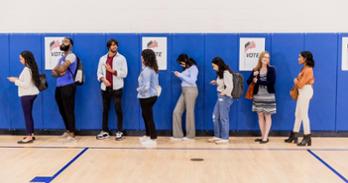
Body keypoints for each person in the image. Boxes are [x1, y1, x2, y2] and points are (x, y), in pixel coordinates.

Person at [96, 39, 128, 140]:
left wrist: (112, 71)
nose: (114, 47)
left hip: (117, 88)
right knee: (105, 110)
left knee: (118, 109)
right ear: (108, 47)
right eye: (112, 45)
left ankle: (120, 131)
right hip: (105, 88)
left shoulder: (122, 58)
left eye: (116, 45)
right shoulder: (102, 59)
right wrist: (103, 79)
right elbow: (98, 73)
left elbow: (124, 73)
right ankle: (105, 131)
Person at [8, 51, 40, 144]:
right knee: (29, 115)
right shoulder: (31, 68)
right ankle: (31, 134)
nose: (20, 60)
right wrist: (17, 79)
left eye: (21, 58)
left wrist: (14, 81)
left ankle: (29, 136)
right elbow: (28, 82)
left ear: (26, 59)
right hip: (31, 93)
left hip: (27, 94)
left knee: (27, 115)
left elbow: (25, 85)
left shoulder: (26, 70)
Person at [285, 51, 315, 146]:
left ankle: (307, 136)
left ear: (305, 58)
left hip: (305, 91)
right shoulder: (304, 68)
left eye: (299, 57)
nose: (298, 59)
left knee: (304, 114)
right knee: (298, 114)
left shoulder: (308, 69)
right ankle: (294, 134)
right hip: (303, 91)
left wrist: (295, 81)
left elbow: (301, 84)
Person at [246, 51, 276, 144]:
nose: (266, 59)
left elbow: (271, 82)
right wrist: (253, 76)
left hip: (268, 96)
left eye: (268, 57)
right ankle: (263, 136)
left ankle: (265, 137)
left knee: (267, 115)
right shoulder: (255, 69)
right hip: (258, 96)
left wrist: (258, 81)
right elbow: (248, 82)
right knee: (260, 116)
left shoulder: (271, 69)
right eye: (264, 57)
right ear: (260, 58)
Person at [52, 37, 78, 141]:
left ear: (71, 45)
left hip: (68, 86)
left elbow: (61, 69)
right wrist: (57, 70)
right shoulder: (61, 58)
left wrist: (58, 69)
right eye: (62, 42)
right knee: (62, 109)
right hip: (59, 86)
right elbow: (53, 73)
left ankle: (72, 133)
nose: (63, 43)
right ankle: (67, 130)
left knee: (69, 109)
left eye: (66, 41)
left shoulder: (71, 56)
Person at [171, 54, 199, 141]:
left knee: (189, 113)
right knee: (176, 112)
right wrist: (180, 75)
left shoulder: (194, 68)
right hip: (184, 91)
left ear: (186, 61)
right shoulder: (187, 69)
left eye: (181, 63)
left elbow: (192, 80)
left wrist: (180, 75)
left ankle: (190, 136)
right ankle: (178, 135)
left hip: (191, 90)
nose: (180, 65)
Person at [208, 57, 234, 144]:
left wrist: (223, 93)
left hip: (225, 97)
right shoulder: (220, 73)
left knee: (223, 118)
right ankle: (217, 135)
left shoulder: (226, 73)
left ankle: (225, 137)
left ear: (218, 64)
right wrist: (216, 82)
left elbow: (230, 86)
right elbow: (223, 84)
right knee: (215, 116)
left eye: (214, 66)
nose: (213, 68)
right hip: (220, 96)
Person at [137, 49, 160, 147]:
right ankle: (148, 135)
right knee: (146, 116)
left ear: (145, 58)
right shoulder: (151, 69)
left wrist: (138, 90)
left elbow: (145, 87)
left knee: (148, 117)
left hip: (147, 97)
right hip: (150, 96)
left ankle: (153, 138)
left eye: (142, 56)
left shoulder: (147, 71)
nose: (141, 58)